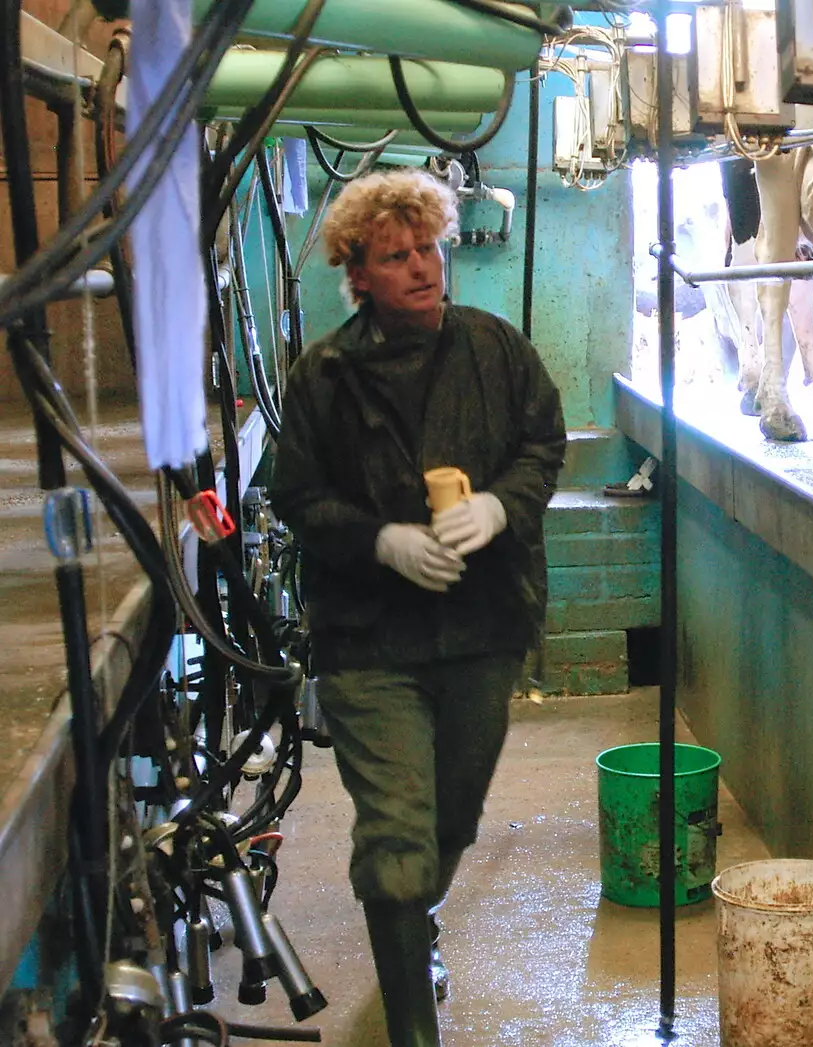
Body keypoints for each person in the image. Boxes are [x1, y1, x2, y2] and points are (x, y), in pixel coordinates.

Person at [270, 170, 566, 1046]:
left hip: (482, 627)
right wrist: (380, 541)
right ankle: (413, 1030)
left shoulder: (495, 351)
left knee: (450, 820)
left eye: (428, 248)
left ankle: (415, 921)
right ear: (357, 274)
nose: (421, 267)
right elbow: (297, 495)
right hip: (370, 641)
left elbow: (542, 443)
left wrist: (503, 505)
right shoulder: (324, 375)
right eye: (395, 257)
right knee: (398, 843)